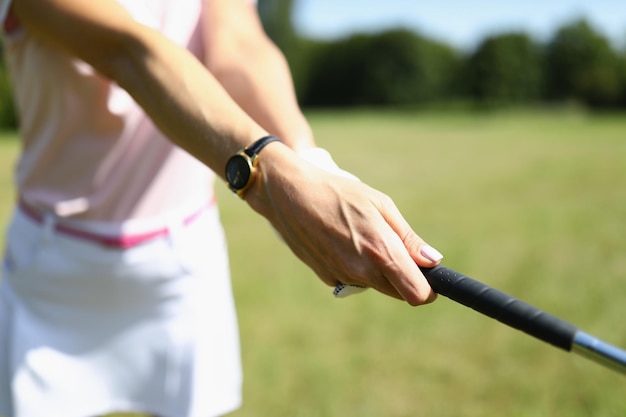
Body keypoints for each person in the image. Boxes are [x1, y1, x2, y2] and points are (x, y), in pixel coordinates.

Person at [0, 0, 444, 416]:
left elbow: (238, 45)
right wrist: (269, 177)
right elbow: (129, 52)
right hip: (53, 274)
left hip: (184, 262)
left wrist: (309, 162)